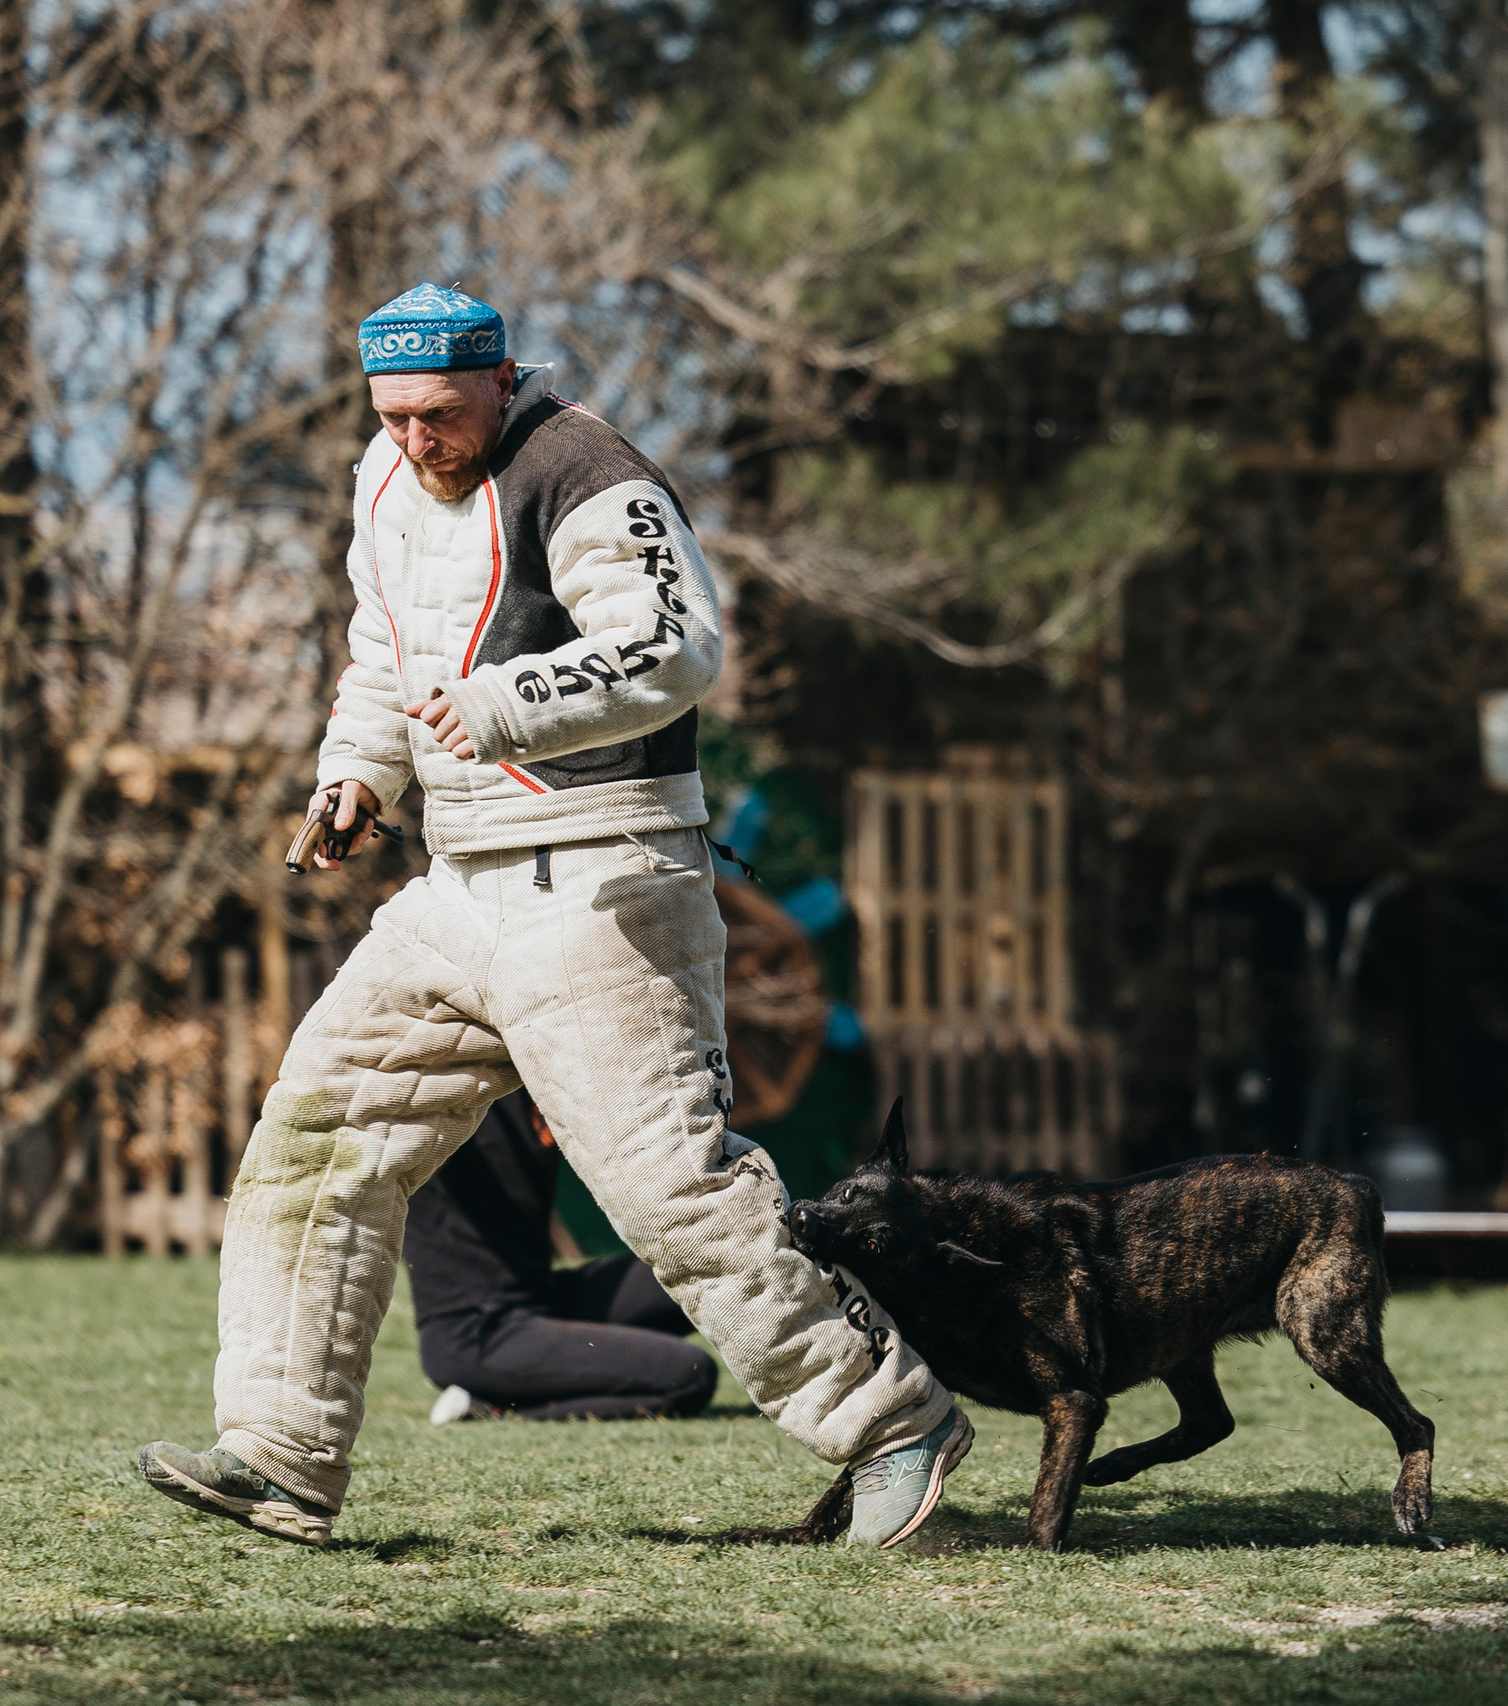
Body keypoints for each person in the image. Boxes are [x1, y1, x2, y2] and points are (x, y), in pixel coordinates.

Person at [135, 283, 967, 1550]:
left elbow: (674, 645)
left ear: (501, 375)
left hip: (602, 876)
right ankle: (279, 1452)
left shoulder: (585, 469)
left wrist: (506, 702)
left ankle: (891, 1422)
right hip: (457, 885)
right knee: (316, 1133)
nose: (417, 440)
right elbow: (384, 655)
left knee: (673, 1191)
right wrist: (358, 774)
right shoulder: (384, 477)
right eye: (391, 415)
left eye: (439, 413)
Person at [407, 1087, 716, 1424]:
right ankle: (492, 1405)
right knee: (689, 1374)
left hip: (543, 1299)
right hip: (476, 1334)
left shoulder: (542, 1079)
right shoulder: (445, 1087)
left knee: (706, 1263)